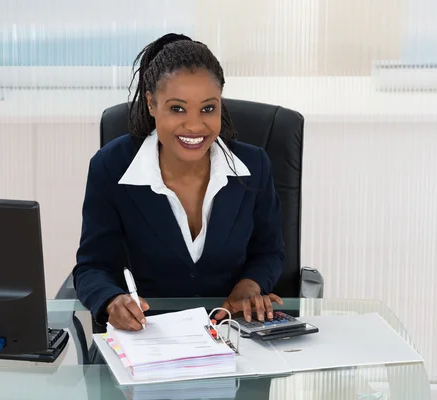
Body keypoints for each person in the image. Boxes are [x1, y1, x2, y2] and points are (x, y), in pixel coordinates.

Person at [72, 32, 284, 331]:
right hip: (148, 339)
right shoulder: (111, 167)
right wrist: (112, 300)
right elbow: (92, 266)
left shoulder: (254, 165)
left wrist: (249, 287)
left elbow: (269, 251)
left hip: (234, 334)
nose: (195, 125)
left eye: (208, 108)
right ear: (151, 104)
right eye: (177, 108)